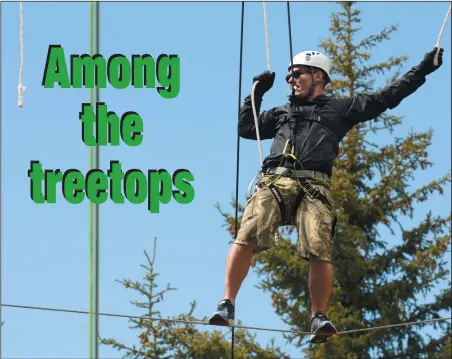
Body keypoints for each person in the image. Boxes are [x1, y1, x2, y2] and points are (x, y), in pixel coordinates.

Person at [208, 47, 444, 343]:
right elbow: (246, 128)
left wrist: (422, 70)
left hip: (313, 188)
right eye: (288, 77)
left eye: (297, 74)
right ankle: (227, 303)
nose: (291, 81)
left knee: (318, 246)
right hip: (275, 182)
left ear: (317, 76)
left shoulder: (339, 109)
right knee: (249, 232)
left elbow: (387, 97)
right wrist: (256, 92)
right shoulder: (282, 112)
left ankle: (318, 315)